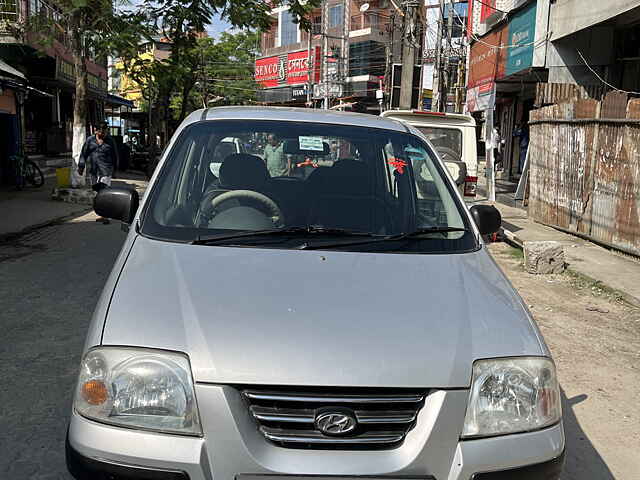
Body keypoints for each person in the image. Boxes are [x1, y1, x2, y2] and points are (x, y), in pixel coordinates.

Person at [78, 126, 116, 224]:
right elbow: (84, 153)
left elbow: (115, 155)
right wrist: (81, 166)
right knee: (97, 194)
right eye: (102, 132)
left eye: (105, 131)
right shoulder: (90, 140)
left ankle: (106, 215)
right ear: (96, 131)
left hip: (106, 171)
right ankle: (102, 214)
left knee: (104, 193)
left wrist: (115, 170)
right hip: (94, 171)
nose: (104, 134)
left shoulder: (110, 141)